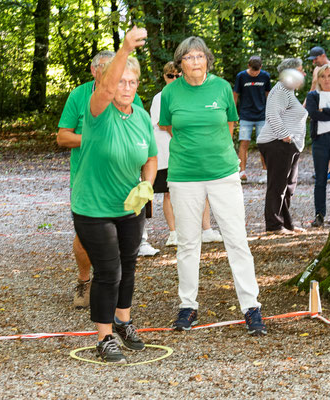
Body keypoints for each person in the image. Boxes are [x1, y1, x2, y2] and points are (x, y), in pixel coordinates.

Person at [159, 36, 266, 335]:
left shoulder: (221, 88)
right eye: (189, 57)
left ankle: (251, 307)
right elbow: (168, 127)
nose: (195, 61)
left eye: (200, 56)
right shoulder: (170, 93)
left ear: (208, 60)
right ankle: (188, 306)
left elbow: (229, 125)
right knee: (188, 243)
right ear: (180, 63)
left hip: (223, 173)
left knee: (237, 240)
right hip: (184, 176)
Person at [71, 27, 157, 363]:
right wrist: (124, 48)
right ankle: (104, 337)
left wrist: (146, 185)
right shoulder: (98, 111)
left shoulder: (141, 117)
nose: (125, 87)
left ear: (137, 87)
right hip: (93, 207)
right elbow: (106, 86)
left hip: (129, 206)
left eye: (131, 82)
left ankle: (123, 322)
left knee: (129, 265)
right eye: (120, 81)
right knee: (109, 271)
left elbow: (150, 157)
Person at [57, 50, 146, 308]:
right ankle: (84, 281)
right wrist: (95, 139)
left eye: (116, 69)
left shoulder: (131, 96)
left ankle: (110, 286)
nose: (113, 74)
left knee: (122, 240)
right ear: (94, 70)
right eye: (106, 69)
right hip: (88, 179)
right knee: (85, 236)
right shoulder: (80, 96)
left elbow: (139, 132)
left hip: (124, 182)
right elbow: (62, 136)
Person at [150, 62, 223, 246]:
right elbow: (161, 123)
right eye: (170, 76)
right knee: (168, 192)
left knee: (201, 188)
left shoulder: (190, 95)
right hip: (168, 151)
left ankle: (206, 229)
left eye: (177, 75)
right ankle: (174, 233)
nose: (174, 79)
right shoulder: (160, 98)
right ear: (165, 77)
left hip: (191, 151)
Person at [257, 58, 308, 234]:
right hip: (276, 143)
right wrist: (284, 136)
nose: (304, 74)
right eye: (301, 70)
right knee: (278, 185)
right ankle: (273, 225)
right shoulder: (281, 90)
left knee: (288, 186)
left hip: (289, 145)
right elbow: (272, 114)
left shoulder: (289, 91)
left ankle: (286, 223)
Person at [233, 56, 272, 184]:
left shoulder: (265, 76)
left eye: (257, 71)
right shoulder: (241, 76)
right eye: (253, 70)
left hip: (261, 115)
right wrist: (233, 115)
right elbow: (235, 95)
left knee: (263, 144)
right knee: (244, 143)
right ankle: (242, 172)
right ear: (248, 66)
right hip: (246, 115)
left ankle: (265, 172)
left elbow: (269, 95)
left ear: (261, 67)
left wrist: (271, 113)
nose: (255, 73)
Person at [305, 64, 330, 228]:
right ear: (318, 78)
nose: (327, 79)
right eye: (323, 76)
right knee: (320, 179)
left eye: (329, 76)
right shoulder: (313, 95)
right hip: (320, 141)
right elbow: (314, 114)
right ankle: (320, 214)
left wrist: (325, 111)